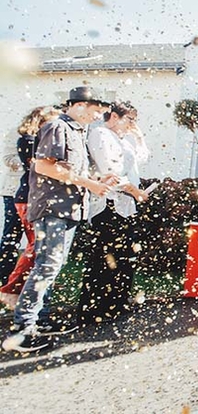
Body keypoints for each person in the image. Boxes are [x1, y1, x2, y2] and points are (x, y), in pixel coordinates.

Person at [1, 86, 114, 353]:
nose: (98, 116)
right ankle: (22, 329)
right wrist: (90, 183)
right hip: (53, 209)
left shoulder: (77, 131)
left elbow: (70, 171)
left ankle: (37, 321)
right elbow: (44, 166)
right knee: (46, 266)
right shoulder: (56, 127)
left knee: (51, 266)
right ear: (79, 105)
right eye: (96, 110)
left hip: (68, 209)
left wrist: (97, 179)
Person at [78, 101, 150, 325]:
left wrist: (139, 137)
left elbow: (140, 159)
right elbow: (111, 172)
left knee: (124, 257)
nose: (132, 124)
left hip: (125, 206)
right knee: (104, 257)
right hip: (108, 204)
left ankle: (116, 303)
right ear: (114, 117)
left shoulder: (124, 140)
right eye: (129, 119)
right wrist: (135, 191)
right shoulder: (100, 134)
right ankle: (94, 309)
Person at [0, 106, 61, 309]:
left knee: (38, 247)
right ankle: (10, 287)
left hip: (36, 195)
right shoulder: (26, 139)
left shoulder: (43, 138)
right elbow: (16, 161)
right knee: (27, 244)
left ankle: (27, 292)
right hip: (23, 194)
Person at [0, 129, 23, 285]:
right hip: (14, 192)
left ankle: (22, 280)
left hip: (39, 194)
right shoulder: (17, 132)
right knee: (11, 237)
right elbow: (8, 159)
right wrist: (34, 162)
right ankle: (4, 278)